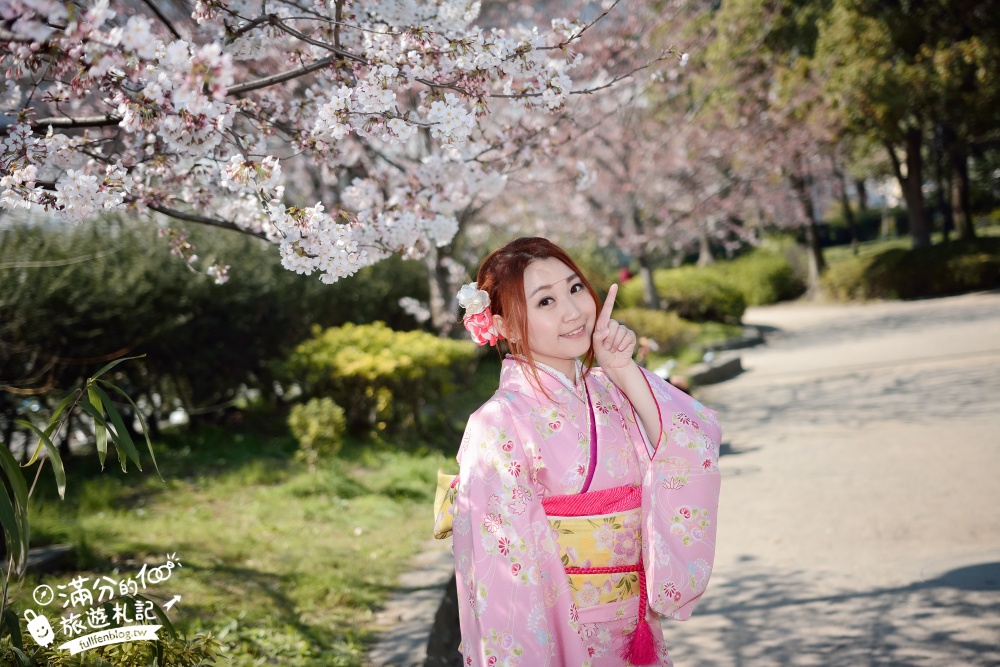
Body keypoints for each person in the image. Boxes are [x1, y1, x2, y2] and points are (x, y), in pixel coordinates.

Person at [440, 237, 722, 666]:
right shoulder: (496, 423)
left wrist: (624, 369)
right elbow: (506, 573)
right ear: (505, 326)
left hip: (633, 627)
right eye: (546, 301)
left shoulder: (611, 388)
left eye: (575, 288)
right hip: (557, 632)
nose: (573, 311)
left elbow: (690, 445)